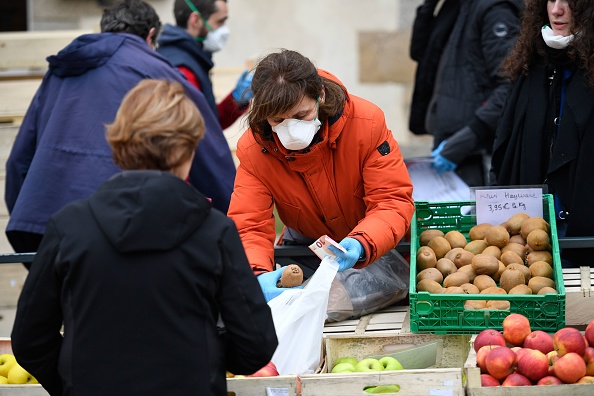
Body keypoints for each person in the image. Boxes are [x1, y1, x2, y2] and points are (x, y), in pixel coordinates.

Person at [10, 79, 278, 396]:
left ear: (119, 145)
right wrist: (204, 360)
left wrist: (74, 381)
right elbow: (256, 342)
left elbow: (30, 339)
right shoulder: (214, 232)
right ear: (187, 150)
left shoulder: (68, 226)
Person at [4, 0, 237, 266]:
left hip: (49, 229)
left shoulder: (61, 70)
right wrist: (232, 229)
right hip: (124, 231)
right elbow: (209, 153)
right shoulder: (158, 71)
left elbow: (18, 162)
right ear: (151, 36)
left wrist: (27, 226)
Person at [227, 49, 415, 303]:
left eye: (301, 115)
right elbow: (249, 225)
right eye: (278, 120)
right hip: (306, 247)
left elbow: (391, 200)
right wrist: (255, 274)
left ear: (321, 96)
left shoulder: (366, 123)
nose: (291, 128)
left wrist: (362, 243)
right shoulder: (254, 150)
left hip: (376, 247)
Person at [492, 0, 594, 268]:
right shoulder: (533, 62)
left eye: (571, 2)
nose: (557, 10)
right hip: (533, 227)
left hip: (582, 226)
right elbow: (506, 145)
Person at [412, 0, 523, 186]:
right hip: (452, 145)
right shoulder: (457, 5)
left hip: (475, 150)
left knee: (477, 216)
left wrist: (466, 138)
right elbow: (420, 52)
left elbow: (510, 86)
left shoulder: (495, 10)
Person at [158, 0, 253, 130]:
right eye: (220, 22)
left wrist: (237, 100)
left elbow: (209, 119)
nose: (224, 30)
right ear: (195, 20)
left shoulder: (190, 56)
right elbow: (201, 132)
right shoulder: (182, 70)